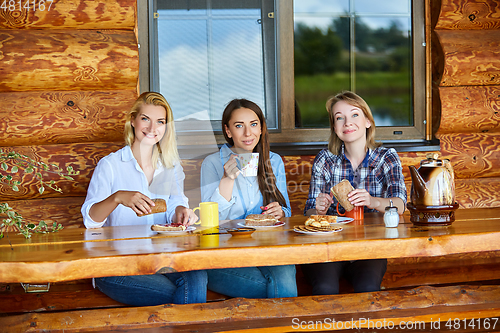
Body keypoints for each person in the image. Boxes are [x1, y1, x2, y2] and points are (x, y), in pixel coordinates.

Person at [81, 92, 207, 306]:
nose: (152, 128)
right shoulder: (110, 165)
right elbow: (91, 220)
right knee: (180, 296)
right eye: (145, 119)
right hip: (114, 265)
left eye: (160, 121)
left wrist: (181, 211)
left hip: (160, 258)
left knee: (198, 277)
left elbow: (175, 205)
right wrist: (118, 197)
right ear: (133, 120)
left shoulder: (171, 165)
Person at [302, 91, 407, 295]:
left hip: (370, 246)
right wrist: (318, 209)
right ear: (334, 127)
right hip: (328, 247)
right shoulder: (325, 159)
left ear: (368, 121)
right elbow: (308, 212)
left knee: (367, 288)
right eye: (339, 118)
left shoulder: (386, 157)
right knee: (325, 288)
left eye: (355, 115)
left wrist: (373, 201)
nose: (347, 122)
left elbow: (400, 204)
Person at [200, 98, 297, 298]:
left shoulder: (274, 161)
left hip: (265, 249)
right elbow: (209, 222)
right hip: (223, 254)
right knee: (278, 290)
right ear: (228, 131)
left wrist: (280, 212)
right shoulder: (212, 163)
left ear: (261, 128)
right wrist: (227, 179)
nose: (248, 133)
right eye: (239, 126)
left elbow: (285, 212)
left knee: (285, 272)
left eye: (253, 124)